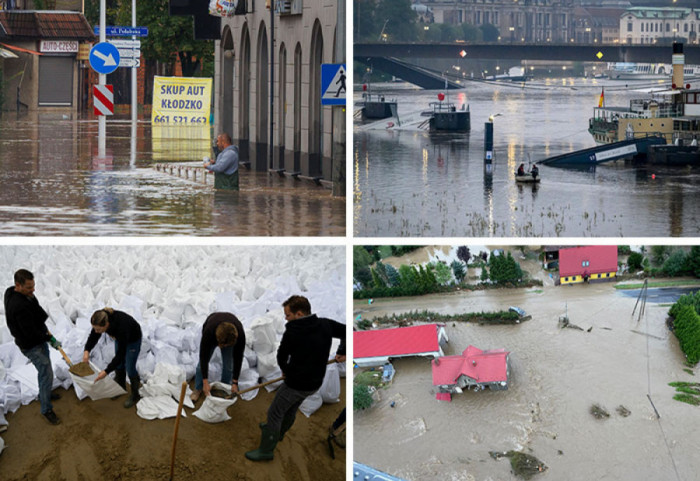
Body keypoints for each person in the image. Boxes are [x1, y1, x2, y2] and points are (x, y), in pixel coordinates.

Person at [246, 295, 346, 462]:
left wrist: (285, 371)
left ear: (299, 314)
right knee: (291, 408)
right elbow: (346, 331)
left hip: (296, 384)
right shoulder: (325, 324)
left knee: (275, 412)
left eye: (288, 315)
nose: (286, 319)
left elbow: (281, 356)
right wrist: (343, 350)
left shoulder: (293, 331)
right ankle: (279, 433)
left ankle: (266, 450)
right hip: (314, 383)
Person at [4, 269, 62, 425]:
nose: (33, 290)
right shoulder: (18, 306)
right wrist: (50, 338)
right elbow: (31, 334)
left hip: (37, 338)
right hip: (31, 345)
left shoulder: (11, 291)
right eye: (29, 288)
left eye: (33, 286)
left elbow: (35, 311)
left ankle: (46, 393)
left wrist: (46, 332)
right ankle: (46, 409)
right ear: (18, 285)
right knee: (46, 373)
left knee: (46, 371)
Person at [83, 308, 143, 409]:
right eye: (95, 328)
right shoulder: (101, 318)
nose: (96, 331)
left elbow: (120, 355)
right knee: (119, 365)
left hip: (132, 339)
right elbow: (93, 336)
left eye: (99, 329)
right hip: (119, 338)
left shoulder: (121, 327)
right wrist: (86, 351)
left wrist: (106, 371)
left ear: (106, 325)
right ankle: (120, 387)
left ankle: (135, 394)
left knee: (129, 367)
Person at [190, 312, 246, 402]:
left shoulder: (240, 336)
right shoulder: (209, 333)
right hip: (212, 328)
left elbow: (238, 358)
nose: (221, 348)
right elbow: (203, 357)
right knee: (201, 365)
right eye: (221, 345)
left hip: (228, 335)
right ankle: (198, 388)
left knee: (228, 365)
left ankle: (224, 388)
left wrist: (235, 382)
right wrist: (205, 382)